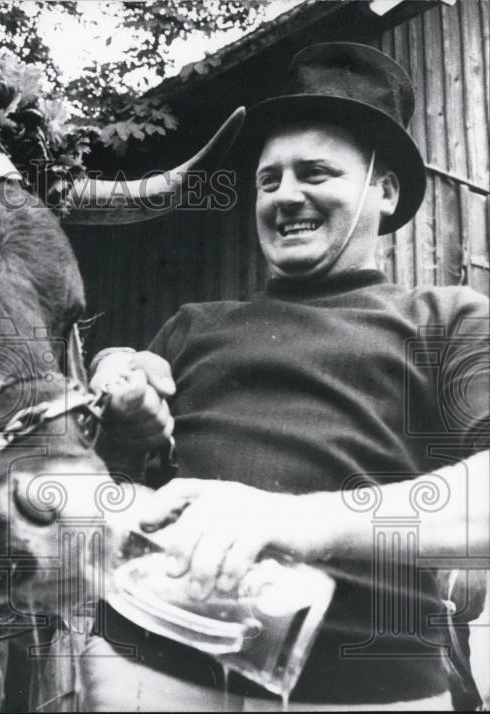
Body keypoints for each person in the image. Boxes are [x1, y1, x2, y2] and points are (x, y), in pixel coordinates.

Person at [84, 43, 489, 711]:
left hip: (361, 684)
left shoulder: (448, 321)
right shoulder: (191, 326)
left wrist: (296, 522)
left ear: (384, 191)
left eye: (316, 173)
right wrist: (122, 430)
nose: (285, 196)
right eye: (268, 180)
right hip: (149, 662)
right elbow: (113, 501)